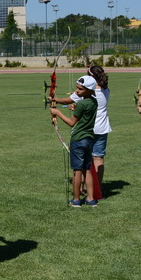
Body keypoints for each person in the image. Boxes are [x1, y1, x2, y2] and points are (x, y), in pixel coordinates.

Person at [51, 65, 110, 198]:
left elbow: (68, 101)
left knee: (81, 164)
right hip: (102, 128)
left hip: (85, 130)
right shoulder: (105, 90)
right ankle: (97, 189)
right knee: (97, 158)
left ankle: (80, 190)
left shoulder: (84, 92)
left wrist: (55, 100)